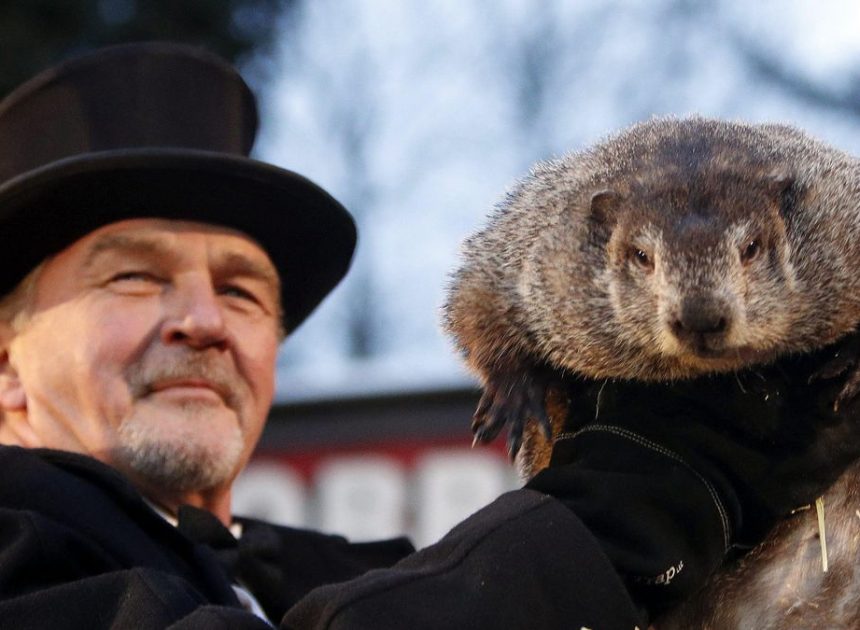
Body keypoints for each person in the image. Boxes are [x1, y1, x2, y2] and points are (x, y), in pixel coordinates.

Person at [0, 42, 858, 630]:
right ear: (4, 360)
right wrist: (644, 503)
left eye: (242, 291)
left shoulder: (340, 572)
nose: (204, 320)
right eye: (134, 276)